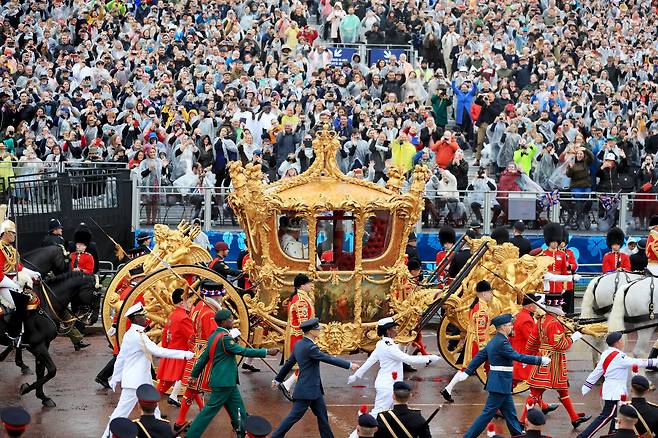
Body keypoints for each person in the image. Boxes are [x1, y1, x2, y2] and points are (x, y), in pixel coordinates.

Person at [102, 303, 194, 438]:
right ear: (136, 318)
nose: (147, 319)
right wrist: (184, 354)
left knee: (155, 411)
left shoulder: (132, 333)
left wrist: (115, 377)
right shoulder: (137, 335)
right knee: (120, 413)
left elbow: (121, 358)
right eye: (143, 316)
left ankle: (162, 435)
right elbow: (156, 350)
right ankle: (105, 436)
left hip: (140, 380)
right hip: (135, 383)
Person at [448, 313, 547, 438]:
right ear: (503, 327)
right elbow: (518, 357)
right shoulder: (502, 343)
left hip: (501, 383)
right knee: (487, 414)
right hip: (500, 383)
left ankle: (517, 434)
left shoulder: (495, 341)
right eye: (510, 325)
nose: (512, 327)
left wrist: (467, 372)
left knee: (510, 413)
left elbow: (480, 356)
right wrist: (540, 360)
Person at [185, 309, 278, 438]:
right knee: (208, 412)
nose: (232, 321)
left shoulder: (213, 337)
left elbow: (203, 359)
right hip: (224, 382)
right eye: (230, 319)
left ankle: (243, 433)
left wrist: (194, 375)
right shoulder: (224, 339)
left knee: (238, 410)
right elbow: (243, 351)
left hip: (227, 382)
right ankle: (191, 435)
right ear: (223, 322)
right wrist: (266, 352)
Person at [271, 318, 358, 438]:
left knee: (322, 416)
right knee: (294, 416)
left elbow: (288, 364)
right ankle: (275, 436)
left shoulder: (298, 345)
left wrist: (278, 379)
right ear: (311, 332)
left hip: (314, 389)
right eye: (317, 329)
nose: (319, 331)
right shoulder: (311, 348)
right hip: (308, 390)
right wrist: (349, 365)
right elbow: (328, 358)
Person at [347, 317, 440, 427]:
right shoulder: (389, 347)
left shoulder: (382, 344)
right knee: (377, 415)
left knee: (387, 415)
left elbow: (370, 361)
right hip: (387, 385)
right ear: (388, 331)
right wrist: (428, 358)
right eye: (394, 328)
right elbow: (407, 359)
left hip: (388, 384)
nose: (396, 330)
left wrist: (357, 375)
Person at [520, 292, 590, 430]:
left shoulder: (542, 320)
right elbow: (560, 345)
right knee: (535, 393)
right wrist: (573, 338)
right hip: (552, 361)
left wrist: (528, 356)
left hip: (545, 358)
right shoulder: (555, 322)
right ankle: (522, 420)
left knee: (562, 390)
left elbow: (533, 341)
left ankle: (574, 418)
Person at [578, 332, 656, 438]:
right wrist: (655, 362)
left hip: (611, 390)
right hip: (615, 391)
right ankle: (584, 436)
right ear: (618, 342)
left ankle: (612, 435)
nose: (623, 342)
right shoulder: (619, 356)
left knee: (616, 416)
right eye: (622, 340)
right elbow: (637, 362)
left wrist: (587, 385)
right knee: (606, 416)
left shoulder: (606, 354)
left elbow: (597, 372)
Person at [174, 281, 223, 433]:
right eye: (220, 295)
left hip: (197, 349)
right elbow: (213, 337)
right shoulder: (209, 313)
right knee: (199, 388)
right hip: (205, 353)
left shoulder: (198, 307)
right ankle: (180, 420)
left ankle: (186, 417)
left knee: (193, 388)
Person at [441, 280, 494, 402]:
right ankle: (448, 389)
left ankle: (492, 391)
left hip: (475, 341)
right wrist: (484, 347)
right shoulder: (481, 309)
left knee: (489, 366)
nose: (491, 295)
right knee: (467, 369)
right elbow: (480, 332)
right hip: (478, 343)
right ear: (484, 294)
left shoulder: (478, 306)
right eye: (490, 293)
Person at [510, 294, 558, 415]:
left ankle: (544, 405)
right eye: (535, 304)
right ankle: (500, 408)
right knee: (535, 383)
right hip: (524, 354)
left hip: (519, 352)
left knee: (518, 382)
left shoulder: (521, 315)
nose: (537, 306)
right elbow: (532, 339)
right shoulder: (526, 319)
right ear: (530, 305)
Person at [155, 289, 194, 411]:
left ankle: (168, 398)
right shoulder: (183, 318)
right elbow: (192, 337)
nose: (190, 302)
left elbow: (164, 334)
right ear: (182, 301)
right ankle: (148, 406)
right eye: (187, 300)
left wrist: (166, 348)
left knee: (191, 384)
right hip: (180, 355)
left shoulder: (173, 314)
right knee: (164, 386)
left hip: (172, 352)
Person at [280, 273, 316, 398]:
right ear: (302, 286)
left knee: (306, 365)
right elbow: (304, 324)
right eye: (308, 283)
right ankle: (287, 384)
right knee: (306, 365)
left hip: (298, 336)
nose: (311, 285)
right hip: (300, 337)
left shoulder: (298, 298)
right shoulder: (301, 300)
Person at [0, 219, 40, 324]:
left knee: (32, 298)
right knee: (20, 302)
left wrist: (32, 273)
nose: (14, 235)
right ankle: (13, 333)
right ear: (5, 233)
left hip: (9, 281)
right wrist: (12, 285)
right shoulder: (0, 249)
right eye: (12, 233)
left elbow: (17, 267)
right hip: (2, 284)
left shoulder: (11, 249)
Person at [542, 222, 569, 294]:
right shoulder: (543, 254)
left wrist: (565, 284)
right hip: (547, 285)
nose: (555, 243)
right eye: (553, 241)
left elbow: (564, 271)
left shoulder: (562, 254)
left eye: (556, 241)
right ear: (549, 242)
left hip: (558, 285)